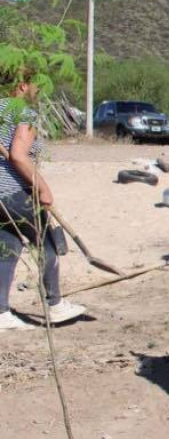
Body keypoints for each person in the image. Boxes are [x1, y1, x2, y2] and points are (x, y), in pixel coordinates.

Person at [0, 77, 86, 330]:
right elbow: (17, 155)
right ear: (24, 85)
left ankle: (1, 313)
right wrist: (43, 188)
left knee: (8, 246)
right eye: (38, 86)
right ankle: (55, 305)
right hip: (14, 191)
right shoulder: (24, 112)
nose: (40, 92)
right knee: (47, 241)